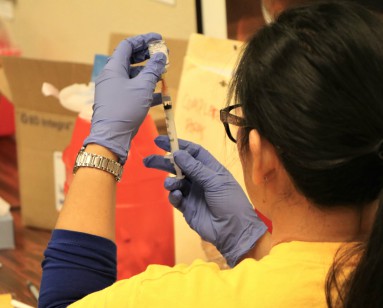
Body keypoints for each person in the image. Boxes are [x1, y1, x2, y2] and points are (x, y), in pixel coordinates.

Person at [39, 2, 383, 307]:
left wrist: (103, 145)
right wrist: (253, 247)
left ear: (262, 157)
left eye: (238, 120)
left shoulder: (184, 298)